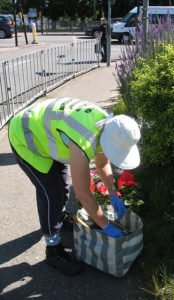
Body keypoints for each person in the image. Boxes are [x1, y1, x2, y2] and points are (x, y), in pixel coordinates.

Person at [8, 97, 141, 276]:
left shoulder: (108, 126)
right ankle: (53, 249)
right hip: (25, 137)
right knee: (51, 194)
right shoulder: (83, 139)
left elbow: (102, 163)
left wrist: (113, 193)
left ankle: (58, 218)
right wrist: (105, 226)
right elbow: (83, 193)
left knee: (63, 187)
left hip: (45, 132)